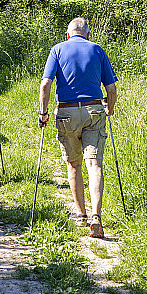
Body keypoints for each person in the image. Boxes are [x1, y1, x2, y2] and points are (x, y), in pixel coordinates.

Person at [38, 18, 117, 238]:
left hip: (67, 112)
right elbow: (111, 89)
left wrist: (43, 113)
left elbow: (46, 84)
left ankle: (81, 215)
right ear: (87, 35)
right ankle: (96, 217)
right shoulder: (97, 50)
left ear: (68, 34)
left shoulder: (57, 50)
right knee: (94, 164)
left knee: (74, 164)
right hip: (93, 110)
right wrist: (109, 110)